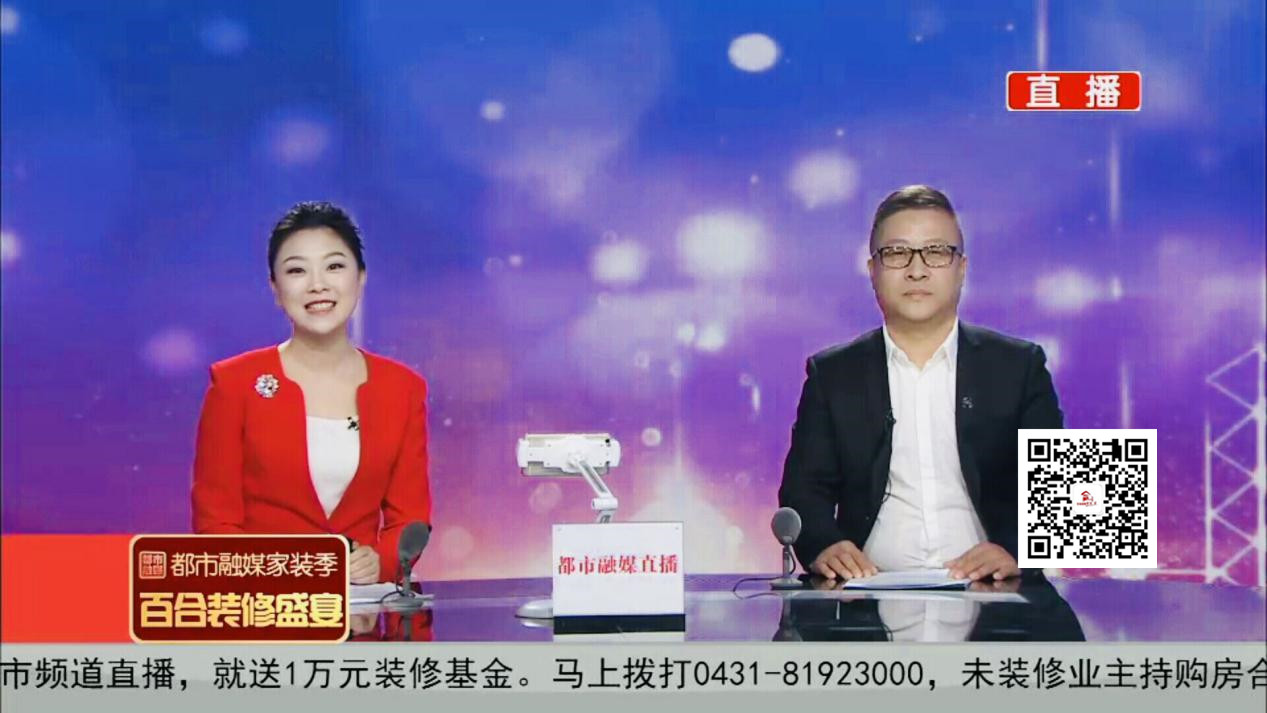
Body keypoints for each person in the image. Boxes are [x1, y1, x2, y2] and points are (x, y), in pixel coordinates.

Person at [778, 185, 1061, 582]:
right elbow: (803, 493)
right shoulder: (833, 374)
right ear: (872, 271)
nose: (917, 269)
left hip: (996, 594)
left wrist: (1015, 551)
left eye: (936, 252)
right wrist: (824, 544)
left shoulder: (1018, 366)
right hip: (866, 596)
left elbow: (1055, 490)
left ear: (962, 268)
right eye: (897, 253)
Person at [192, 201, 431, 584]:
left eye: (334, 266)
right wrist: (286, 573)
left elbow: (411, 518)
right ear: (275, 288)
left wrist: (380, 563)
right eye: (297, 270)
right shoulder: (234, 384)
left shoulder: (402, 389)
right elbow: (215, 523)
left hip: (361, 606)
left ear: (361, 277)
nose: (318, 284)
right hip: (266, 601)